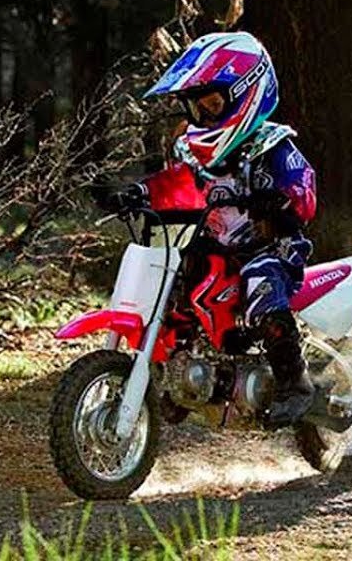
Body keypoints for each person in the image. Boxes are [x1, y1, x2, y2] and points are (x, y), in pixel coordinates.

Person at [101, 32, 319, 427]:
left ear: (246, 92)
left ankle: (294, 383)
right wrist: (138, 192)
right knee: (178, 287)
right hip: (216, 244)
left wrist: (280, 201)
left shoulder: (273, 145)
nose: (203, 116)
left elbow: (304, 188)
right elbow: (177, 185)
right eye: (196, 108)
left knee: (260, 282)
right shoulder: (192, 151)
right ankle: (173, 380)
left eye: (213, 105)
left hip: (270, 247)